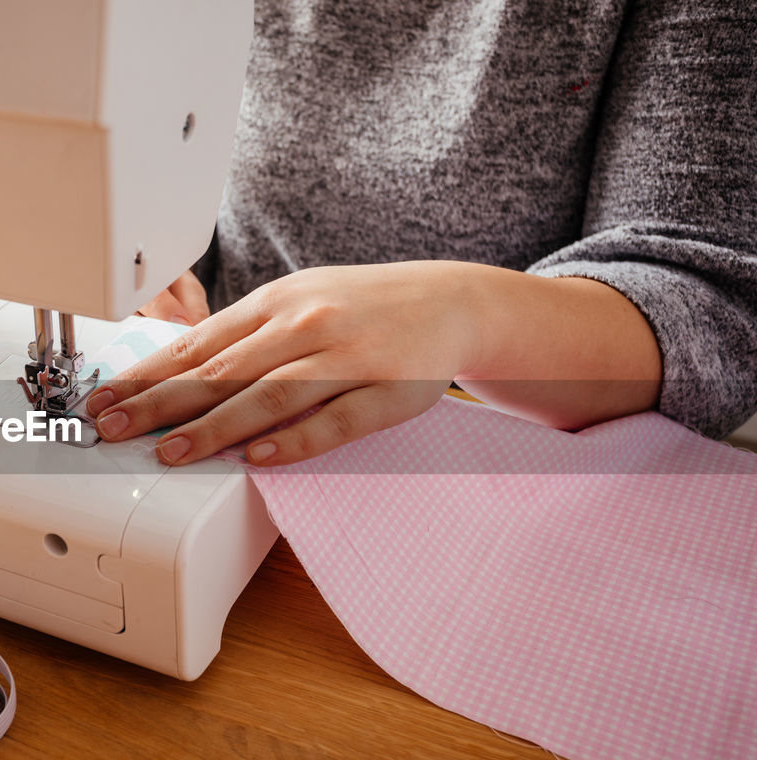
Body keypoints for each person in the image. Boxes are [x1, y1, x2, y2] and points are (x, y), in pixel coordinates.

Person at [85, 0, 757, 467]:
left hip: (511, 478)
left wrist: (468, 317)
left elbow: (710, 311)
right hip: (236, 425)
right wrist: (149, 233)